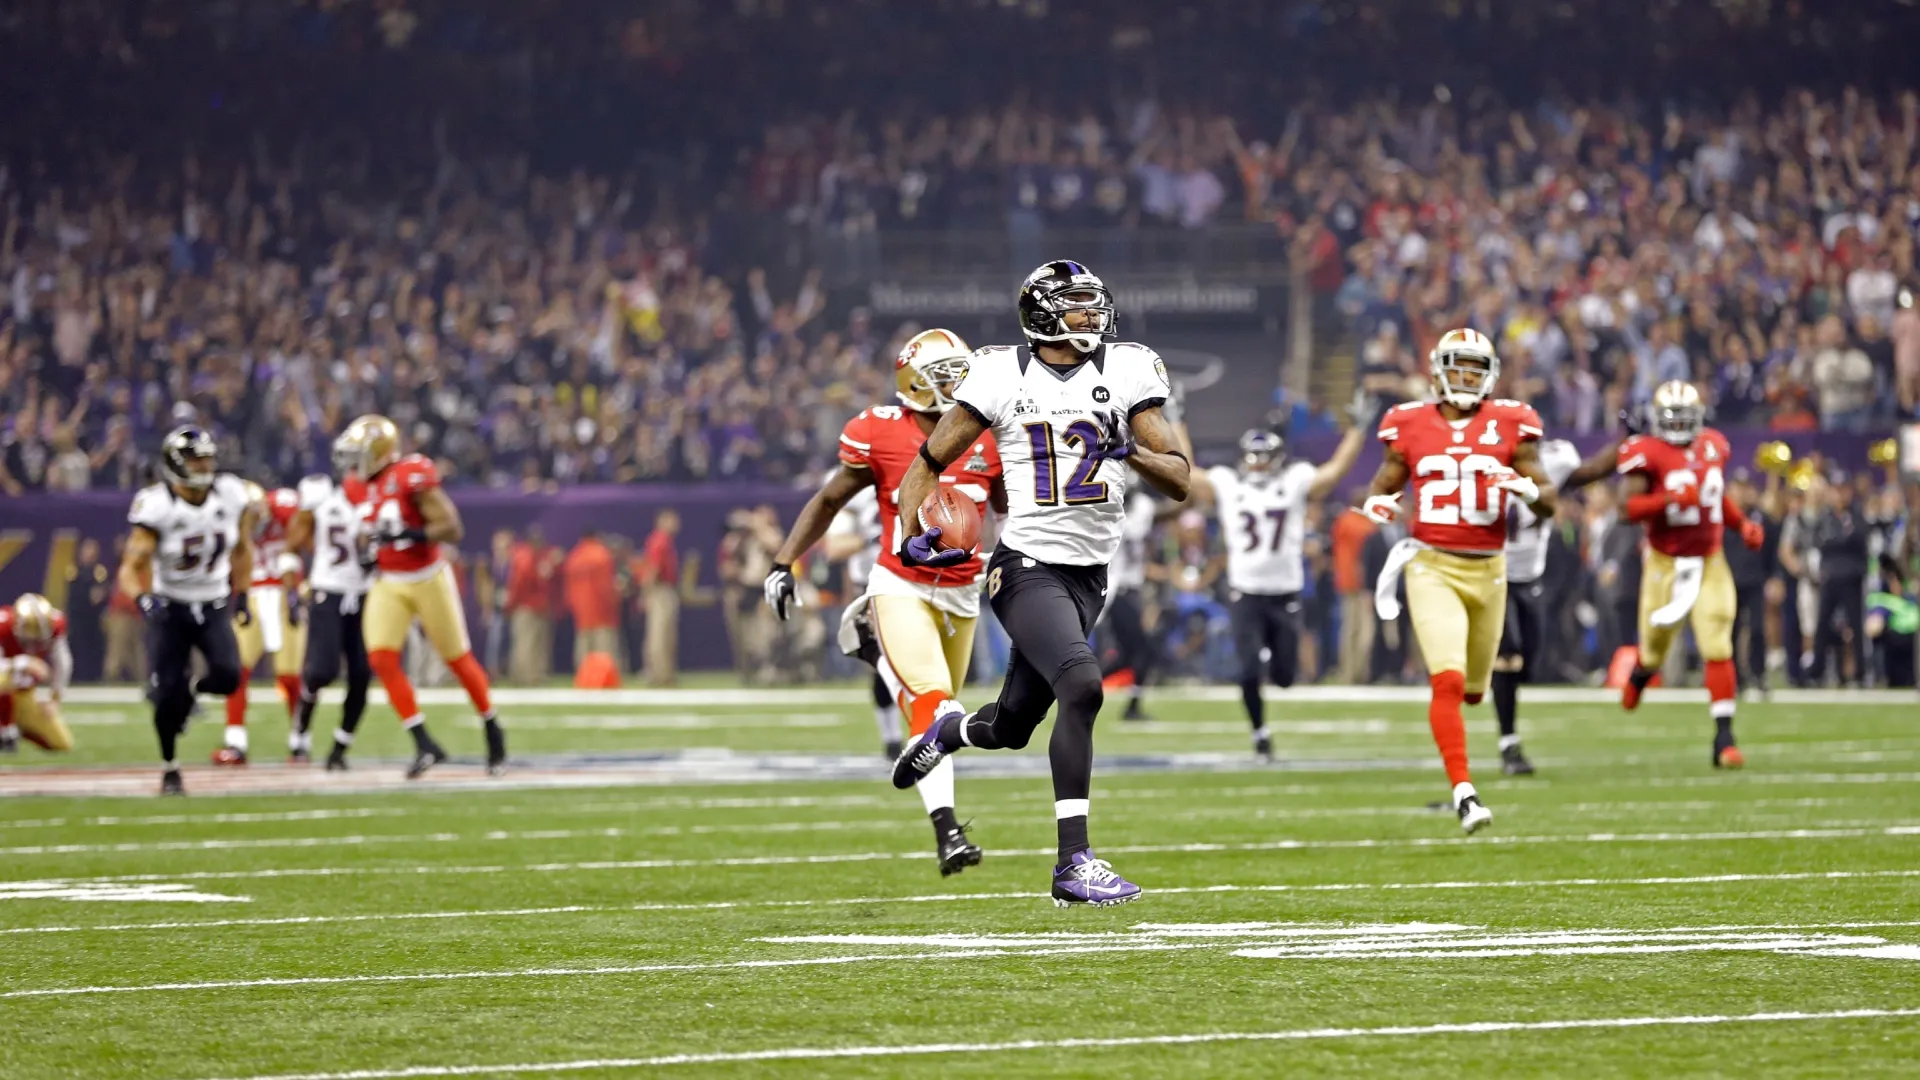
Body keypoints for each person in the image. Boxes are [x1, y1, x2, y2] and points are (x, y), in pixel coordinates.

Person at [888, 261, 1191, 906]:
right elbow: (929, 461)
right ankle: (1073, 863)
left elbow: (1181, 478)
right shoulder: (1000, 374)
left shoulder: (1129, 369)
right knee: (1082, 685)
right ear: (1043, 313)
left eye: (1092, 304)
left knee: (1012, 724)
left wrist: (1129, 452)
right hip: (1025, 564)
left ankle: (943, 735)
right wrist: (907, 531)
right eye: (1077, 306)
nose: (1091, 316)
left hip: (1091, 577)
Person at [764, 328, 1005, 876]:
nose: (960, 383)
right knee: (935, 701)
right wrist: (784, 561)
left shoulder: (987, 435)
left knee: (934, 718)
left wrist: (1008, 565)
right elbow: (828, 499)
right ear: (916, 385)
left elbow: (1008, 513)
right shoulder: (878, 432)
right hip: (901, 582)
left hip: (963, 593)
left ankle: (878, 658)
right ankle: (948, 831)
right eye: (946, 376)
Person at [1360, 328, 1558, 834]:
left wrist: (1528, 489)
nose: (1466, 377)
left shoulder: (1513, 422)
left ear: (1489, 375)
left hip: (1491, 570)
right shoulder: (1407, 423)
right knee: (1445, 681)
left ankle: (1472, 734)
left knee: (1473, 690)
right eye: (1458, 366)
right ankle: (1465, 793)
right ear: (1437, 371)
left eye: (1475, 368)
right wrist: (1377, 502)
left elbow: (1551, 500)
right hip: (1431, 564)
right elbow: (1384, 482)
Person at [1189, 398, 1369, 760]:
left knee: (1286, 675)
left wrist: (1358, 430)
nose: (1256, 463)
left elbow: (1334, 472)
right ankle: (1260, 732)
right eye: (1252, 457)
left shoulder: (1295, 479)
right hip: (1245, 590)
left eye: (1263, 456)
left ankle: (1273, 664)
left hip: (1284, 590)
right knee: (1247, 668)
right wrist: (1174, 424)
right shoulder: (1227, 483)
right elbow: (1187, 472)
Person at [1612, 381, 1765, 766]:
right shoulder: (1644, 451)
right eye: (1672, 418)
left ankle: (1724, 738)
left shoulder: (1712, 445)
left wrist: (1741, 523)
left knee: (1717, 641)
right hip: (1665, 563)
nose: (1680, 426)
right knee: (1654, 648)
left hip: (1710, 559)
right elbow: (1625, 509)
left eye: (1686, 418)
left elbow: (1715, 496)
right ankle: (1642, 674)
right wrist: (1665, 499)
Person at [349, 414, 507, 778]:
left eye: (359, 453)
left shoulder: (410, 476)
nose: (353, 462)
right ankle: (423, 741)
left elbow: (452, 528)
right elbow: (369, 532)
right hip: (389, 580)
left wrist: (412, 533)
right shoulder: (359, 488)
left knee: (458, 659)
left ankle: (492, 728)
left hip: (427, 577)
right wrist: (369, 549)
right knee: (383, 658)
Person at [115, 426, 255, 796]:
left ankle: (193, 691)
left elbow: (243, 549)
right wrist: (143, 598)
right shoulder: (158, 505)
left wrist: (243, 595)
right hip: (171, 607)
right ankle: (170, 767)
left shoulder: (231, 494)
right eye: (197, 459)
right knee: (164, 699)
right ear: (176, 465)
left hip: (212, 602)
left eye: (208, 457)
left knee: (228, 676)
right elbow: (130, 567)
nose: (205, 465)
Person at [1487, 438, 1584, 775]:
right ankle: (1508, 743)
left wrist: (1623, 442)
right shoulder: (1479, 463)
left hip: (1530, 577)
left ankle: (1495, 679)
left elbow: (1587, 473)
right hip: (1492, 571)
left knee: (1527, 660)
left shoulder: (1552, 464)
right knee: (1508, 654)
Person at [286, 430, 374, 771]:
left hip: (366, 594)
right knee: (322, 670)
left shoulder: (381, 496)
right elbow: (293, 542)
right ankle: (301, 728)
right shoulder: (321, 495)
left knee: (362, 676)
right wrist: (312, 561)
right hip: (328, 591)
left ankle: (340, 747)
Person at [220, 481, 306, 765]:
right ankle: (235, 741)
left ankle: (300, 740)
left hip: (284, 595)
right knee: (236, 671)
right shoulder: (232, 523)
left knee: (289, 676)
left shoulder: (283, 506)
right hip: (254, 595)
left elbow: (305, 521)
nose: (254, 523)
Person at [821, 483, 902, 756]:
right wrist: (878, 538)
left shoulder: (920, 469)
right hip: (872, 587)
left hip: (919, 582)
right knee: (884, 665)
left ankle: (927, 732)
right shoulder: (854, 485)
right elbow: (835, 548)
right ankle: (892, 738)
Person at [1098, 491, 1159, 722]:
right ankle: (1132, 707)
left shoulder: (1144, 507)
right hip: (1117, 589)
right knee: (1144, 651)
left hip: (1132, 588)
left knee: (1128, 655)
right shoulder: (1111, 516)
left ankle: (1081, 684)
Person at [0, 593, 74, 753]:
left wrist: (55, 699)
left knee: (61, 742)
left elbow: (63, 663)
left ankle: (17, 729)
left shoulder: (55, 625)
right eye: (30, 639)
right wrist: (24, 662)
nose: (34, 646)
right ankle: (4, 729)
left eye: (39, 641)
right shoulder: (3, 624)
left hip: (24, 695)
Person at [505, 527, 559, 685]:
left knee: (536, 642)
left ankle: (535, 674)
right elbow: (518, 585)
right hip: (526, 606)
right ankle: (525, 676)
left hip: (537, 606)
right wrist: (512, 605)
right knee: (526, 642)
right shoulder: (524, 557)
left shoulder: (537, 556)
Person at [564, 529, 621, 672]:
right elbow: (606, 586)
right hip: (602, 610)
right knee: (604, 646)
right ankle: (604, 677)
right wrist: (613, 602)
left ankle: (584, 677)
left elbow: (569, 587)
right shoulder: (602, 554)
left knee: (583, 645)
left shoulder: (574, 556)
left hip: (581, 610)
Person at [637, 510, 681, 687]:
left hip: (663, 589)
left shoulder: (664, 541)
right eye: (672, 519)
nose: (677, 523)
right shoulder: (659, 540)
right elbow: (653, 568)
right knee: (660, 634)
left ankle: (663, 672)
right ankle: (659, 673)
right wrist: (647, 593)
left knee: (664, 634)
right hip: (660, 590)